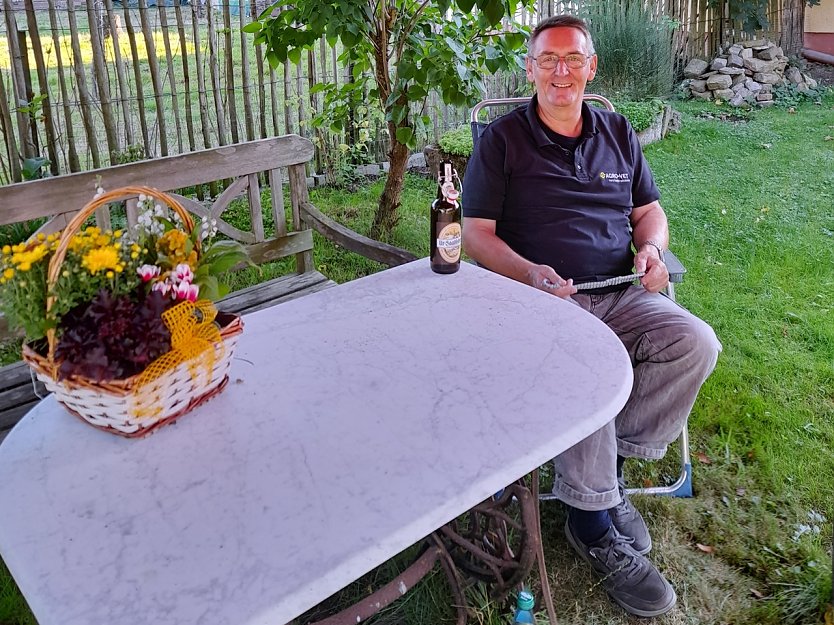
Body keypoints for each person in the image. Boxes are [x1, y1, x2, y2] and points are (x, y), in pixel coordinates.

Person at [461, 14, 722, 618]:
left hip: (622, 288)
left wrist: (652, 251)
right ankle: (592, 521)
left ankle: (611, 466)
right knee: (589, 366)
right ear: (529, 69)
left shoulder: (618, 131)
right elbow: (476, 235)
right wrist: (529, 273)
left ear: (591, 67)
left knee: (696, 342)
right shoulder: (502, 141)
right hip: (549, 298)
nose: (560, 71)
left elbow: (649, 212)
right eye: (547, 59)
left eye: (572, 59)